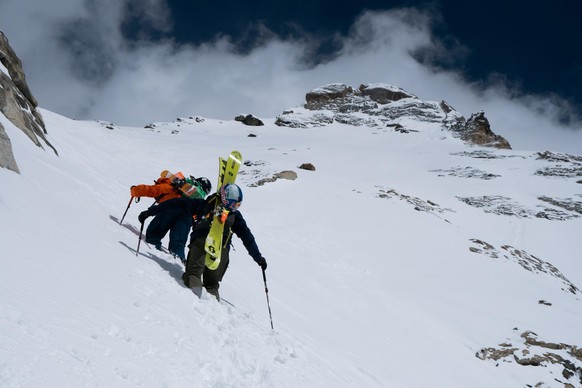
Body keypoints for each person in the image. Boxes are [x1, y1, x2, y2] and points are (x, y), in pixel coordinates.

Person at [139, 183, 267, 300]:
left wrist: (150, 212)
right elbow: (247, 237)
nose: (234, 208)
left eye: (237, 205)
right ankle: (213, 306)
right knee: (212, 284)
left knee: (193, 275)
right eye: (233, 204)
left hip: (201, 244)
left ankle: (195, 302)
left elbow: (175, 203)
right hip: (221, 252)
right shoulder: (234, 217)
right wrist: (258, 257)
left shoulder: (203, 205)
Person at [131, 174, 212, 263]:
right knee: (178, 242)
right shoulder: (199, 201)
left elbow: (154, 190)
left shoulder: (177, 186)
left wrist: (135, 191)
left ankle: (152, 247)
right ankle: (178, 258)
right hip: (187, 217)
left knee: (154, 233)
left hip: (169, 207)